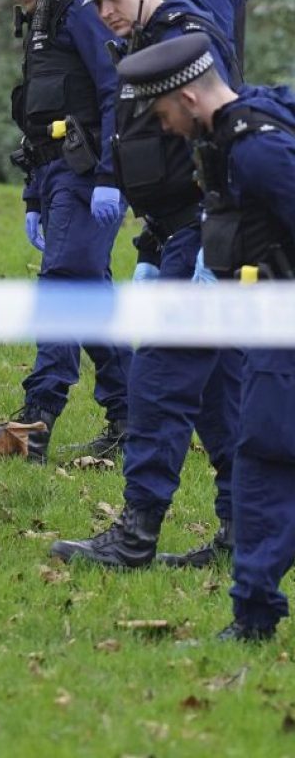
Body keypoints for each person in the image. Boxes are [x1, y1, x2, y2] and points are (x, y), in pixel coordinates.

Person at [50, 0, 241, 568]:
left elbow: (217, 139)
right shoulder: (145, 41)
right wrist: (152, 244)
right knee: (216, 393)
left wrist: (206, 249)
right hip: (174, 233)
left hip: (204, 233)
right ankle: (244, 533)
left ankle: (135, 536)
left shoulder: (185, 38)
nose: (105, 12)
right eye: (97, 3)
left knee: (158, 381)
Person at [117, 32, 295, 641]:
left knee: (265, 458)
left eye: (163, 112)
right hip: (261, 324)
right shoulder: (226, 142)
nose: (163, 127)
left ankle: (253, 614)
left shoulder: (257, 153)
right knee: (262, 455)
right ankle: (253, 609)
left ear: (189, 97)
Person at [0, 0, 130, 462]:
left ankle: (32, 427)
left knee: (61, 287)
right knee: (90, 297)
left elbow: (114, 95)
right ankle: (132, 418)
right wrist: (33, 197)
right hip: (58, 174)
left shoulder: (83, 12)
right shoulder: (41, 20)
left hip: (88, 176)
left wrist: (109, 177)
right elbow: (37, 117)